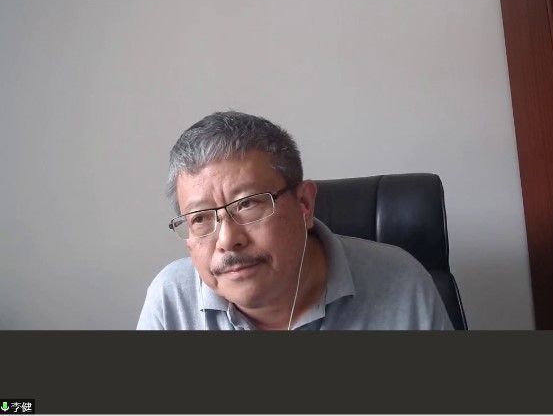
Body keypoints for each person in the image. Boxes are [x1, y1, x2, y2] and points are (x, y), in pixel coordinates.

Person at [137, 111, 453, 330]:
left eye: (247, 204)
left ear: (304, 204)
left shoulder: (402, 283)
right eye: (201, 218)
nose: (228, 240)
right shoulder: (172, 299)